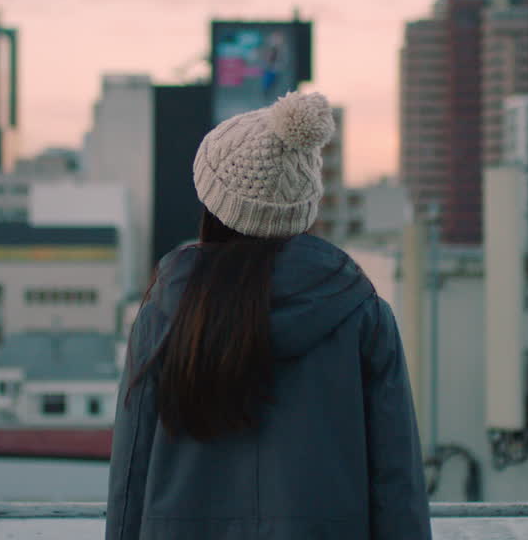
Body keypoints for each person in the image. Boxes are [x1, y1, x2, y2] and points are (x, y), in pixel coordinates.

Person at [106, 92, 431, 540]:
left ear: (214, 206)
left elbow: (130, 470)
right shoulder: (362, 314)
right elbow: (397, 478)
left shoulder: (166, 310)